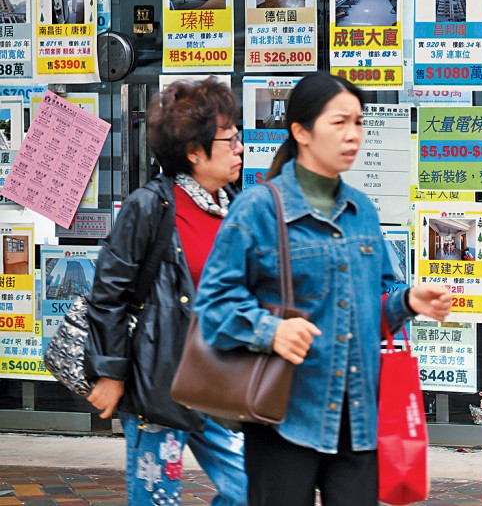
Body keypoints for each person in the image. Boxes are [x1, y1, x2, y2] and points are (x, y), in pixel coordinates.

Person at [195, 71, 452, 506]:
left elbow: (367, 313)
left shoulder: (362, 210)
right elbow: (212, 307)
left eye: (359, 122)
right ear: (301, 131)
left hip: (358, 418)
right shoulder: (258, 208)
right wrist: (269, 330)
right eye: (340, 123)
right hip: (284, 417)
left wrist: (407, 301)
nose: (354, 135)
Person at [85, 78, 247, 506]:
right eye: (229, 140)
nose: (240, 149)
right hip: (157, 385)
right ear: (194, 152)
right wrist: (111, 371)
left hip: (216, 385)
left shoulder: (233, 206)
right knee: (157, 500)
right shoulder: (150, 205)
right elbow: (109, 293)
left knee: (252, 490)